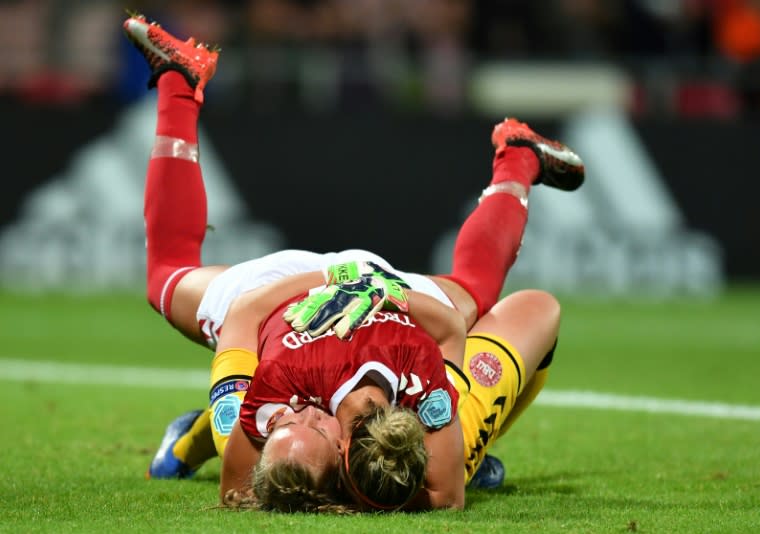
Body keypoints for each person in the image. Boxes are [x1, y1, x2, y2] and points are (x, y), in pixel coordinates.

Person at [123, 13, 584, 512]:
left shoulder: (258, 408)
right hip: (389, 296)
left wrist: (328, 282)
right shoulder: (410, 411)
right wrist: (375, 289)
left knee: (167, 277)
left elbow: (246, 322)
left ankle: (179, 83)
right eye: (310, 424)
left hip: (280, 295)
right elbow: (442, 487)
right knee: (473, 291)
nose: (296, 413)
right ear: (343, 452)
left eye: (283, 423)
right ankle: (517, 158)